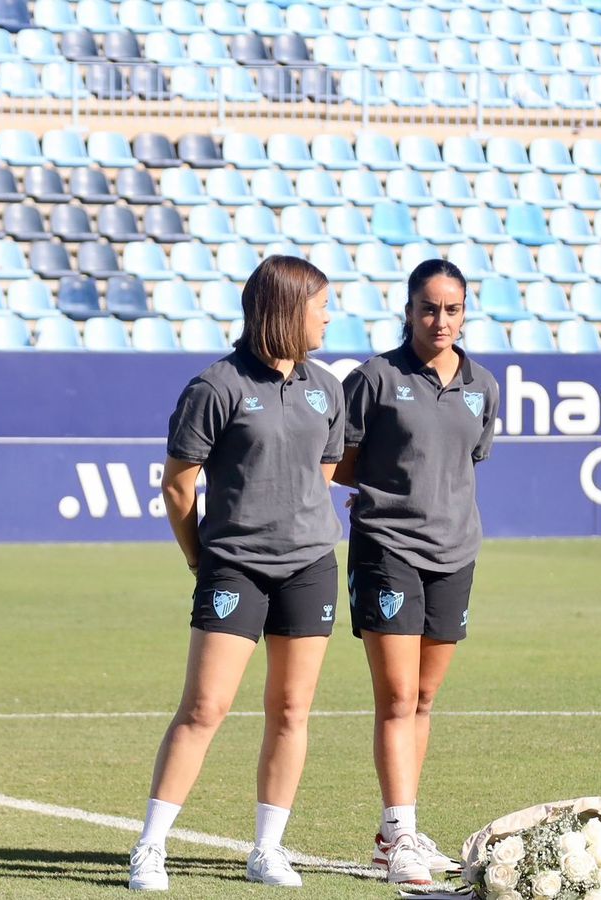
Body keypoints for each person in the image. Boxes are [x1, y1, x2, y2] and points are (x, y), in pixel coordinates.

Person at [129, 255, 345, 892]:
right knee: (204, 708)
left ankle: (268, 849)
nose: (328, 316)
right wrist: (204, 558)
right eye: (321, 305)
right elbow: (178, 486)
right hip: (233, 569)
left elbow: (322, 474)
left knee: (291, 710)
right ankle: (150, 847)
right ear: (286, 309)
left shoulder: (325, 386)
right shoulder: (215, 386)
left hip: (311, 567)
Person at [333, 259, 501, 886]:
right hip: (388, 548)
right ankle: (400, 829)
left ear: (465, 312)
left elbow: (466, 457)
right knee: (398, 696)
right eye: (429, 308)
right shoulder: (375, 377)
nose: (440, 320)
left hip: (456, 553)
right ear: (408, 310)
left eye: (452, 309)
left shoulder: (482, 383)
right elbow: (338, 459)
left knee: (425, 698)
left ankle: (394, 835)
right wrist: (379, 490)